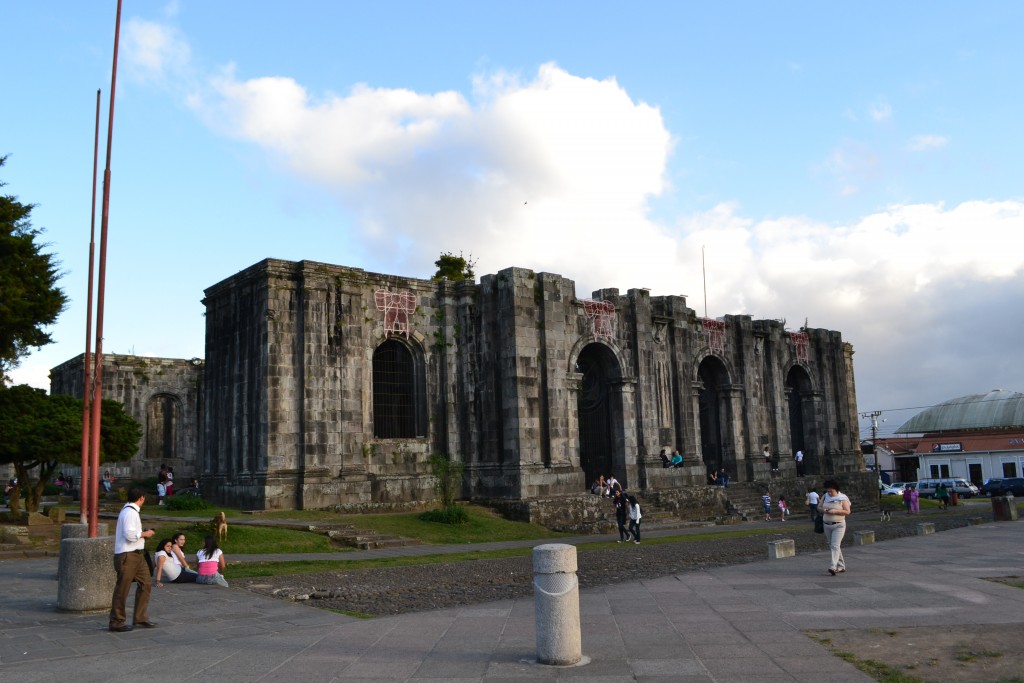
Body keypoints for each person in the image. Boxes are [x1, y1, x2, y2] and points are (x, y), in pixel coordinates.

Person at [109, 487, 157, 632]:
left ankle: (140, 617)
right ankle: (117, 621)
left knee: (146, 584)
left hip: (138, 554)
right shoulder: (130, 512)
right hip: (128, 555)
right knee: (122, 588)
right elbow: (129, 535)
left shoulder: (131, 511)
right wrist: (145, 534)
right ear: (141, 497)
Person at [818, 479, 852, 576]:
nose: (829, 493)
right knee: (833, 545)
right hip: (827, 525)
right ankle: (841, 566)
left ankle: (833, 566)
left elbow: (847, 511)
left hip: (839, 525)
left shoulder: (842, 498)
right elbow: (819, 507)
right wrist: (824, 510)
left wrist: (835, 511)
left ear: (836, 489)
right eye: (828, 491)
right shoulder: (825, 496)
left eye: (831, 491)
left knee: (835, 545)